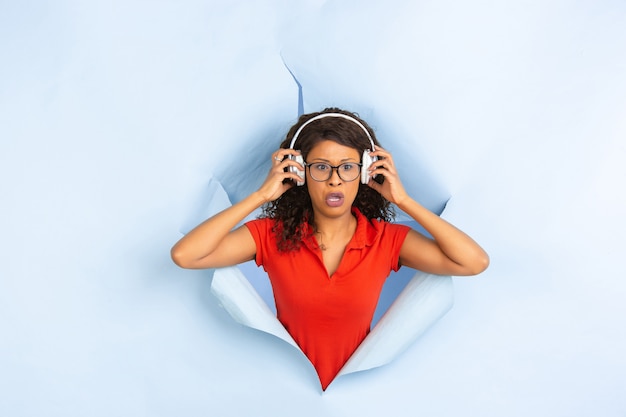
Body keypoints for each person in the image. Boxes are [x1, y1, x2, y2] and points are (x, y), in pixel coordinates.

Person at [171, 107, 489, 390]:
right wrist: (261, 196)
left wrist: (403, 200)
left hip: (359, 397)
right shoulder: (271, 235)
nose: (334, 180)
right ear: (299, 173)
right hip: (282, 394)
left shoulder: (387, 239)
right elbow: (185, 255)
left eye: (347, 167)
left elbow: (474, 262)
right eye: (321, 167)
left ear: (366, 173)